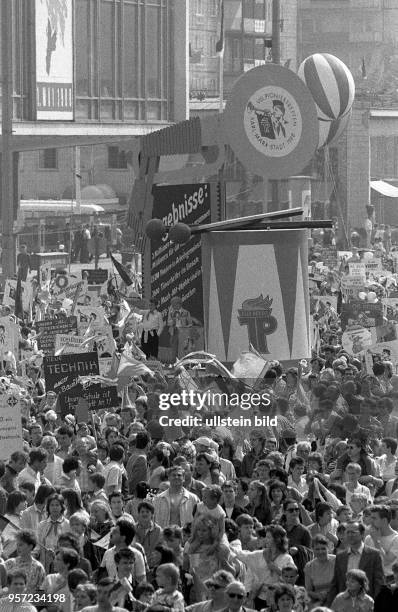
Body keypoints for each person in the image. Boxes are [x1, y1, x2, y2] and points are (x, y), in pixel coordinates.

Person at [326, 520, 384, 605]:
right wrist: (330, 605)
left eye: (353, 532)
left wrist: (376, 605)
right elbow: (335, 583)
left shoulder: (374, 555)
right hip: (345, 605)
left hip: (366, 604)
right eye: (347, 532)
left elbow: (378, 583)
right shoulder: (340, 557)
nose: (349, 535)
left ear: (362, 534)